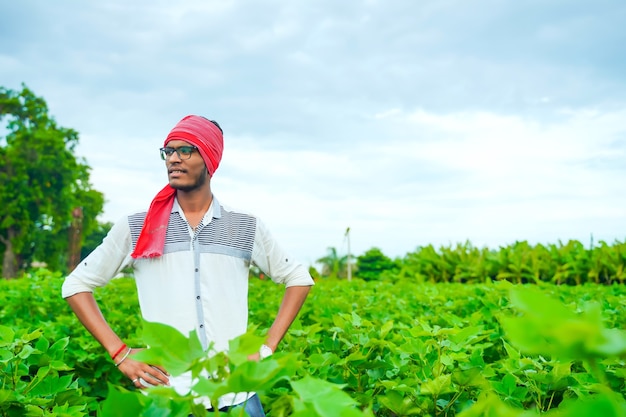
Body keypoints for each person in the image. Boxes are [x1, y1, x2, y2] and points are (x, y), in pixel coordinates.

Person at [62, 115, 314, 415]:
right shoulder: (137, 227)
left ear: (209, 158)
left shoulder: (245, 227)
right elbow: (76, 284)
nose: (174, 159)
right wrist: (120, 353)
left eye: (185, 150)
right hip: (169, 395)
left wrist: (265, 350)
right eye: (168, 151)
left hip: (236, 394)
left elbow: (298, 277)